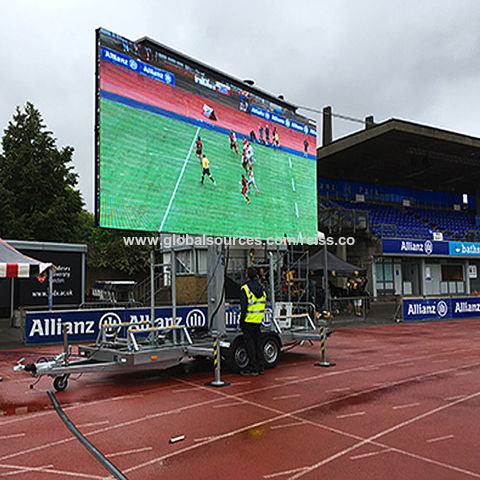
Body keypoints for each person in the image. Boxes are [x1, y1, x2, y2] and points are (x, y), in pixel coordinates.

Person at [239, 267, 267, 375]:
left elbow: (244, 307)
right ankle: (260, 367)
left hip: (248, 320)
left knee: (250, 345)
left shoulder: (245, 288)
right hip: (258, 320)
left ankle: (253, 367)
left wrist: (241, 321)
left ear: (247, 275)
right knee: (258, 344)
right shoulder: (261, 288)